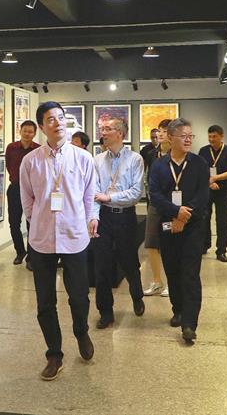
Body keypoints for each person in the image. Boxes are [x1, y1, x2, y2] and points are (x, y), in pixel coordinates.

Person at [20, 101, 96, 381]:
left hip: (75, 236)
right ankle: (54, 353)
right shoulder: (31, 161)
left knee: (79, 296)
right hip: (42, 239)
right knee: (45, 302)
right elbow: (27, 199)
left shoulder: (83, 158)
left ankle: (81, 331)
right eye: (51, 119)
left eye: (61, 117)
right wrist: (39, 220)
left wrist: (89, 219)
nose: (58, 123)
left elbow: (90, 196)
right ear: (42, 126)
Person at [149, 118, 209, 344]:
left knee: (190, 274)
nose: (188, 140)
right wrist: (175, 212)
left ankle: (190, 324)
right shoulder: (159, 165)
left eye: (190, 136)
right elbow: (155, 195)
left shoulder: (199, 163)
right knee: (172, 271)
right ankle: (178, 310)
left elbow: (203, 195)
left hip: (193, 226)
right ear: (170, 137)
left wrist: (184, 216)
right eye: (183, 136)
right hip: (167, 226)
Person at [90, 116, 145, 329]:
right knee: (101, 266)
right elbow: (94, 193)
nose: (103, 133)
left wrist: (110, 197)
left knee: (129, 262)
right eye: (102, 129)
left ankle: (137, 296)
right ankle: (105, 312)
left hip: (125, 217)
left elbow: (136, 192)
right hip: (104, 217)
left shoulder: (135, 159)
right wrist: (94, 217)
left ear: (120, 134)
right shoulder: (97, 160)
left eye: (107, 129)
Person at [198, 125, 227, 262]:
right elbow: (200, 170)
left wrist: (215, 178)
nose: (211, 139)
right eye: (209, 136)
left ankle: (221, 250)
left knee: (222, 221)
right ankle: (204, 245)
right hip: (206, 189)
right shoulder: (203, 151)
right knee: (204, 218)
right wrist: (209, 182)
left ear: (221, 136)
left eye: (214, 136)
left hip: (222, 189)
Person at [5, 120, 39, 268]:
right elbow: (9, 166)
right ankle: (20, 251)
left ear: (34, 133)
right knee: (14, 223)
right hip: (15, 188)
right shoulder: (11, 148)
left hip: (33, 191)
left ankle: (31, 257)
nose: (27, 134)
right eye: (25, 131)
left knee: (32, 223)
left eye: (30, 132)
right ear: (20, 131)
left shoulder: (38, 149)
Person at [143, 120, 171, 297]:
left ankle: (171, 282)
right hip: (154, 204)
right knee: (151, 243)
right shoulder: (151, 154)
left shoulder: (177, 154)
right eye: (160, 130)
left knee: (169, 243)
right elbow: (147, 177)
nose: (160, 134)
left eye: (165, 131)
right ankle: (156, 281)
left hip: (170, 207)